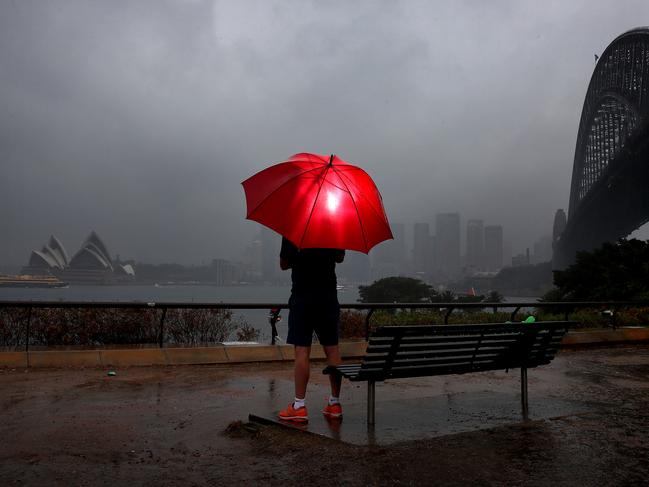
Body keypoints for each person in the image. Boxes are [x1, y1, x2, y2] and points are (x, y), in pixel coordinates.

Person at [277, 236, 345, 423]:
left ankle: (299, 406)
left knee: (301, 350)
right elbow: (340, 257)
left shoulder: (294, 227)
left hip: (303, 296)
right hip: (328, 297)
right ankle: (335, 403)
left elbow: (283, 264)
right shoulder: (334, 225)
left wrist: (301, 257)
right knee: (332, 348)